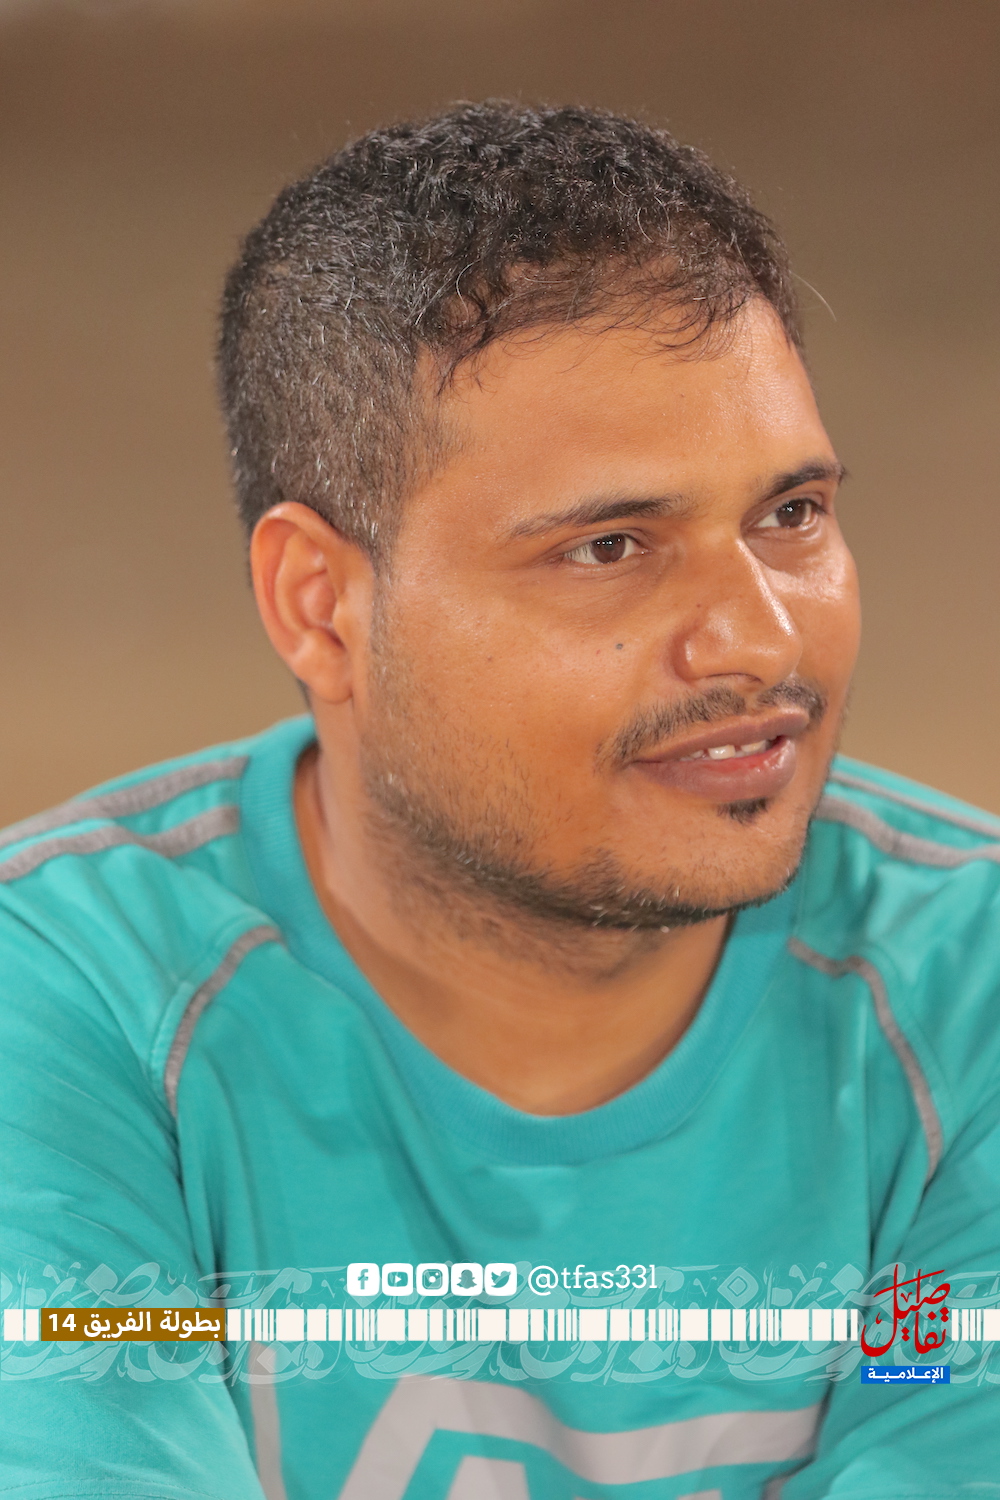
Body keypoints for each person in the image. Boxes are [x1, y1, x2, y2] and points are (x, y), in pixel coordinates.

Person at [2, 101, 999, 1500]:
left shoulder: (970, 1005)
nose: (761, 641)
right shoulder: (67, 1014)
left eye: (790, 517)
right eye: (610, 547)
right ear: (321, 606)